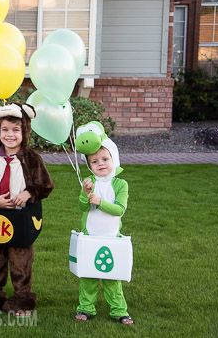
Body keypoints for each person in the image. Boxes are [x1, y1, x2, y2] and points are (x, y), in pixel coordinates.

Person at [0, 103, 54, 316]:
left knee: (20, 260)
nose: (10, 135)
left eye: (15, 130)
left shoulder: (31, 159)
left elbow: (46, 184)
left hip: (20, 219)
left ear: (25, 131)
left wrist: (29, 193)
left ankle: (22, 297)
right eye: (5, 130)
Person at [75, 138, 134, 325]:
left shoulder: (120, 184)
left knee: (112, 276)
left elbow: (119, 210)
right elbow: (82, 207)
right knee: (88, 276)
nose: (100, 163)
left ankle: (119, 310)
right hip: (90, 236)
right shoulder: (89, 182)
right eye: (94, 161)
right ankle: (85, 308)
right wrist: (86, 193)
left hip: (111, 237)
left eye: (105, 159)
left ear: (113, 159)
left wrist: (100, 202)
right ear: (89, 165)